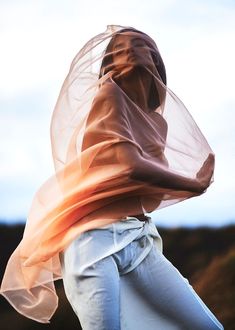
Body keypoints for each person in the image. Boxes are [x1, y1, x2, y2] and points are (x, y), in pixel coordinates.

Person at [0, 25, 224, 329]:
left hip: (138, 238)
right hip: (93, 239)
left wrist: (171, 183)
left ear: (155, 59)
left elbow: (149, 195)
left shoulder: (157, 122)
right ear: (110, 65)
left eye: (140, 44)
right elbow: (131, 167)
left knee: (205, 325)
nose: (129, 50)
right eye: (119, 49)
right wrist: (191, 184)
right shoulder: (109, 94)